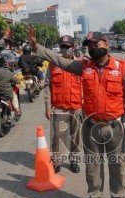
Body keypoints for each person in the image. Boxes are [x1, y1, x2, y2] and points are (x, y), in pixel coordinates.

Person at [27, 26, 125, 198]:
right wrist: (36, 46)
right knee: (93, 166)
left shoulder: (122, 67)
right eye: (89, 45)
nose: (93, 48)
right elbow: (58, 60)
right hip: (91, 125)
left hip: (115, 126)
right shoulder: (83, 67)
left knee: (117, 165)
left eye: (96, 44)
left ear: (106, 44)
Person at [44, 35, 83, 174]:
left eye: (67, 46)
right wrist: (48, 106)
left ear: (74, 47)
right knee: (58, 138)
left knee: (76, 137)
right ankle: (57, 161)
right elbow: (47, 85)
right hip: (59, 108)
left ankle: (74, 160)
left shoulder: (79, 64)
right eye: (62, 46)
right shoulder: (54, 64)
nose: (65, 49)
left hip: (76, 107)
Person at [0, 53, 21, 118]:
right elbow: (16, 81)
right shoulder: (6, 71)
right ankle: (17, 110)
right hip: (7, 94)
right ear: (2, 62)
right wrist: (18, 81)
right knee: (14, 95)